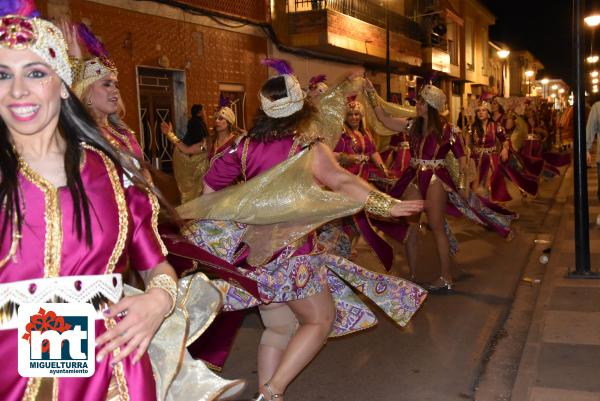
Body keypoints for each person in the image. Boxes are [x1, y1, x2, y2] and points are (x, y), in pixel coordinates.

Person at [0, 8, 244, 400]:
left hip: (112, 367)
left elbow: (154, 262)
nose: (17, 91)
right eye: (2, 75)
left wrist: (158, 300)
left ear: (62, 84)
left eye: (35, 72)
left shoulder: (113, 172)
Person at [175, 59, 426, 400]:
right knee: (321, 320)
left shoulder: (242, 146)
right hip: (294, 253)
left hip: (255, 255)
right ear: (300, 109)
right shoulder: (306, 147)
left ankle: (267, 395)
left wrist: (226, 234)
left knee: (279, 329)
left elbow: (208, 193)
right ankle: (273, 391)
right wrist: (387, 205)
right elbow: (340, 179)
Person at [366, 80, 515, 290]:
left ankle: (446, 277)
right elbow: (383, 119)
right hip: (413, 177)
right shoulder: (411, 125)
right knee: (411, 227)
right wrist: (370, 91)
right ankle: (413, 275)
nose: (416, 104)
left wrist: (463, 185)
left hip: (436, 179)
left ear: (430, 105)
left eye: (420, 101)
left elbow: (463, 159)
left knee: (437, 228)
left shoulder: (450, 131)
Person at [587, 99, 600, 200]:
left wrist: (586, 148)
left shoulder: (597, 107)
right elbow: (590, 129)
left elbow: (590, 129)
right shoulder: (597, 107)